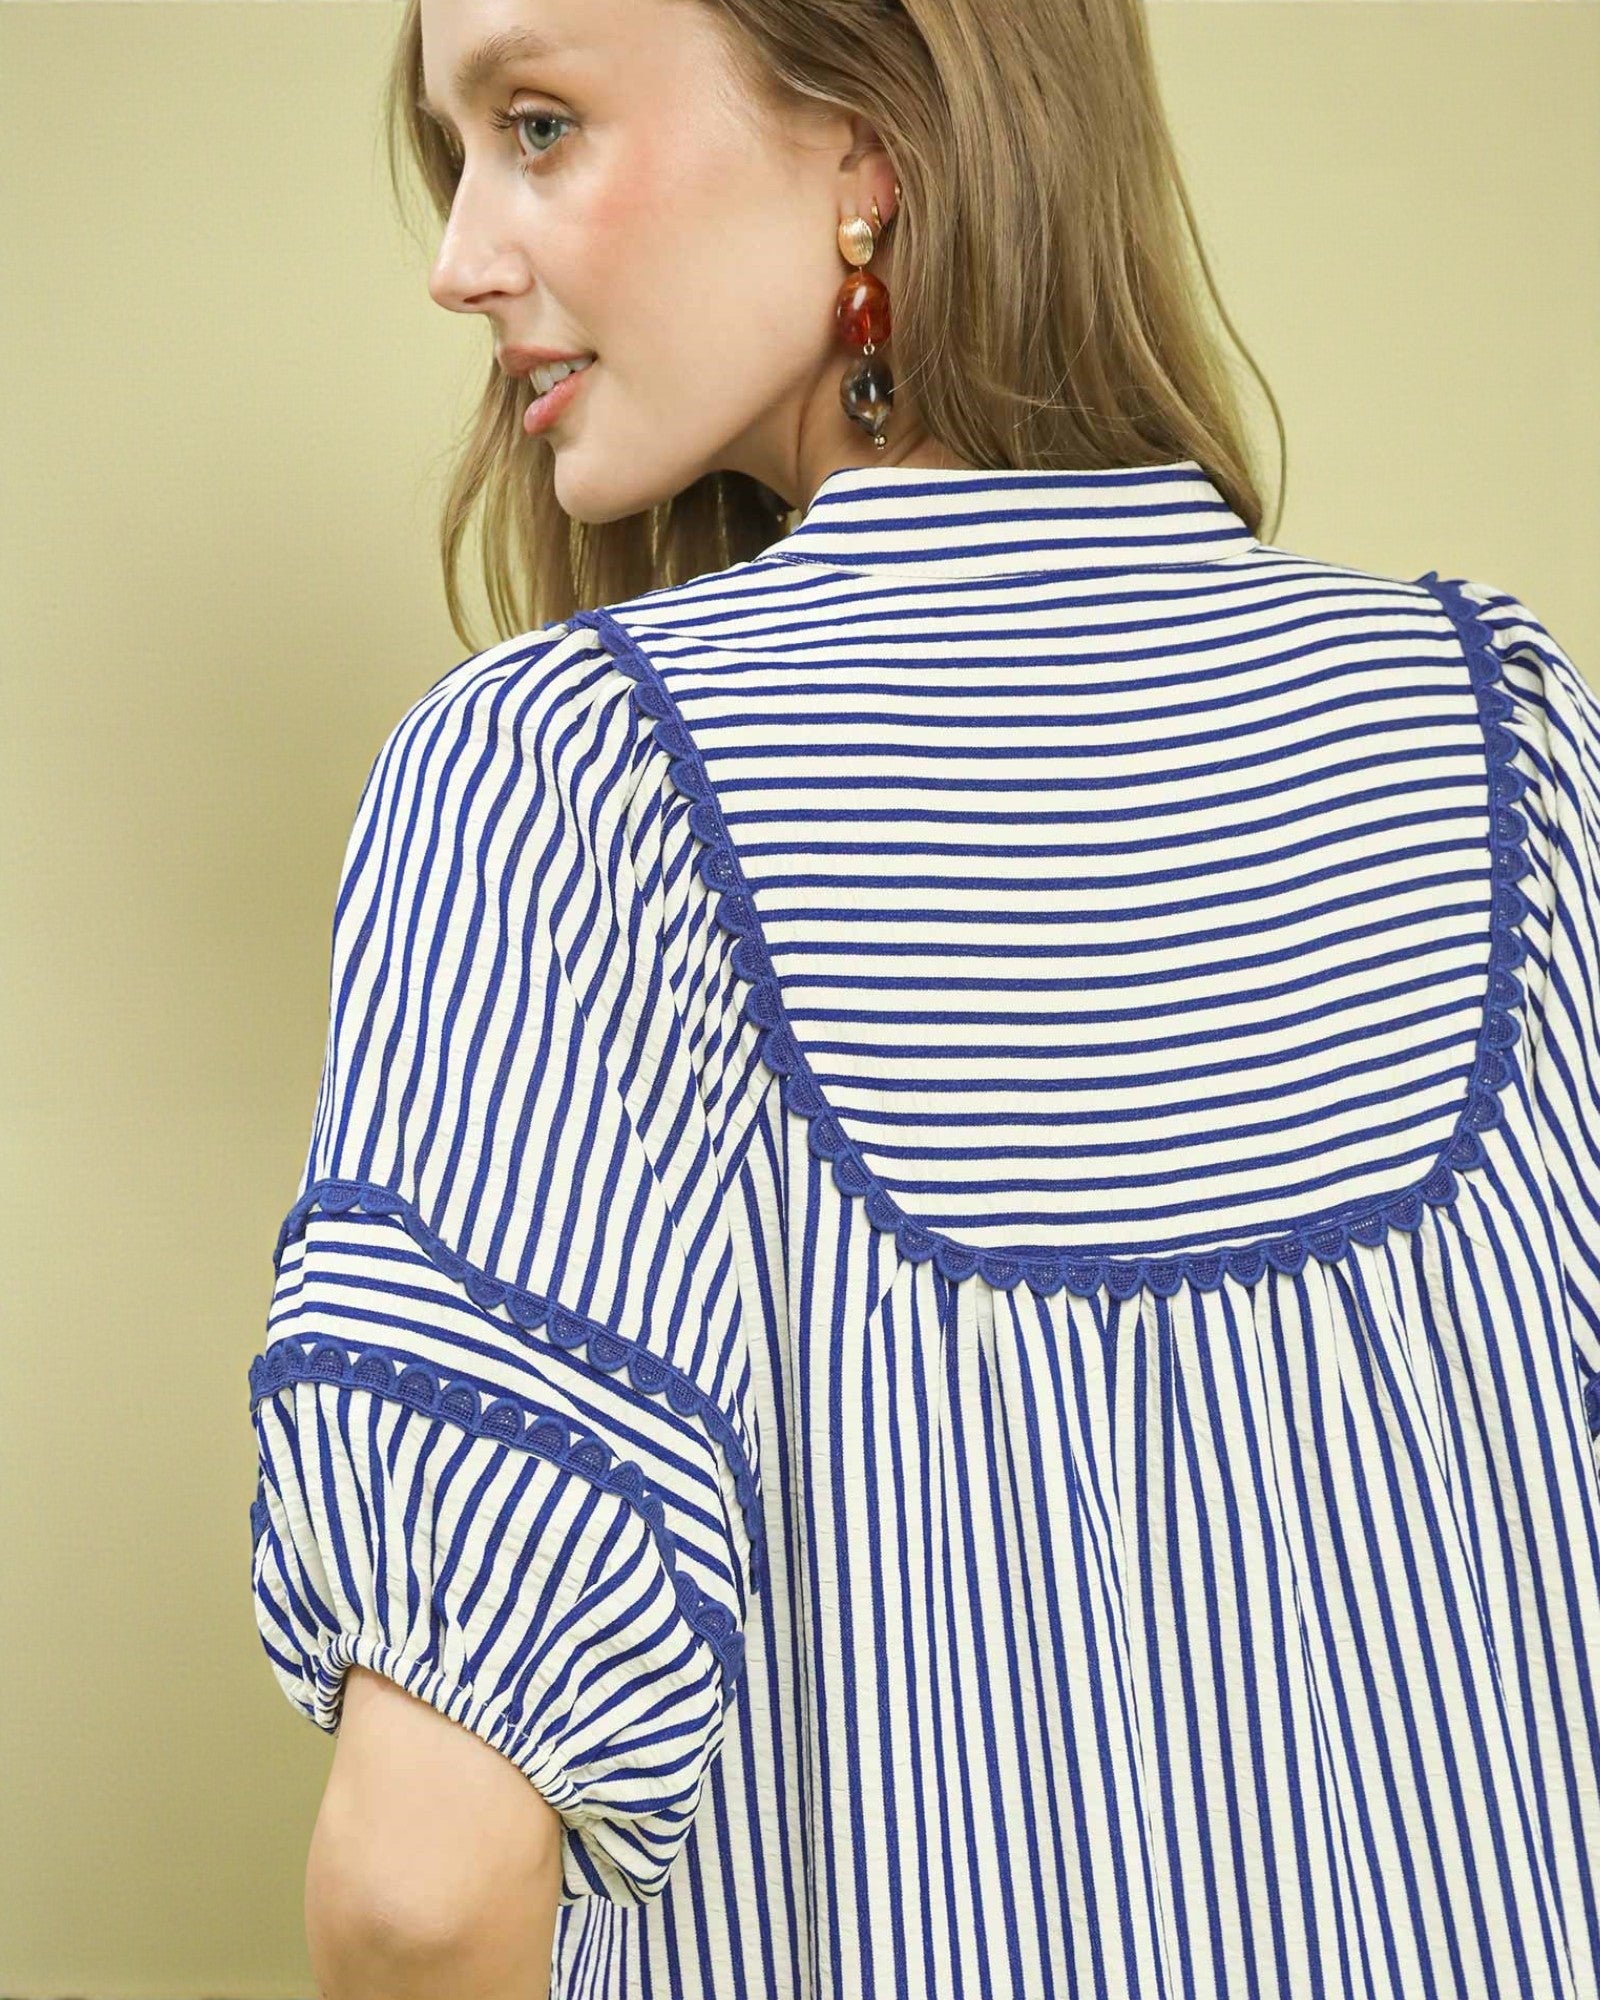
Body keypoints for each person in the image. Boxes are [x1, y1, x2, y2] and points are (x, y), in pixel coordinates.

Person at [245, 1, 1600, 1995]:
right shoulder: (1514, 739)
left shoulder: (564, 779)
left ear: (873, 152)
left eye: (538, 126)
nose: (457, 254)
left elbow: (420, 1891)